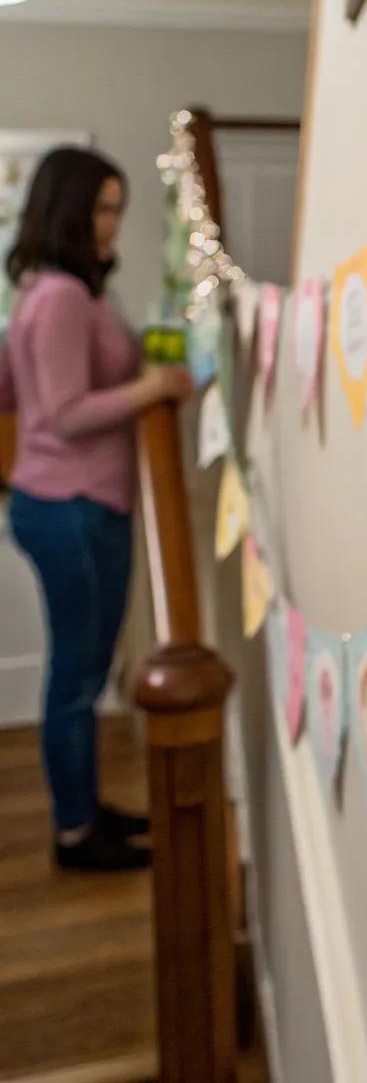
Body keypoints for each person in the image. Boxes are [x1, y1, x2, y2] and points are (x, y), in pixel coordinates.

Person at [0, 147, 193, 872]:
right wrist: (153, 388)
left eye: (118, 207)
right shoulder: (59, 297)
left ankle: (84, 812)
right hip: (71, 508)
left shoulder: (61, 291)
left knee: (82, 672)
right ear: (71, 209)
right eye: (106, 208)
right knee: (78, 678)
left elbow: (22, 392)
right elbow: (63, 410)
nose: (115, 223)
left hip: (74, 503)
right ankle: (77, 833)